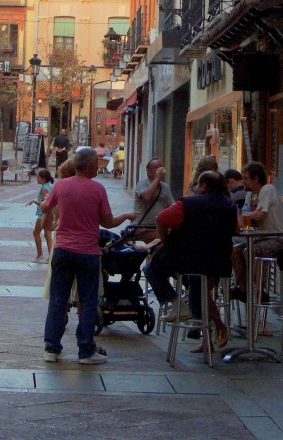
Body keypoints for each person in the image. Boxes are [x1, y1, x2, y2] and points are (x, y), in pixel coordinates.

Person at [42, 147, 135, 365]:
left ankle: (51, 349)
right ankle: (85, 350)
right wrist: (126, 216)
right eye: (97, 164)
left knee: (58, 300)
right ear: (90, 166)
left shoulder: (61, 185)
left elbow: (46, 206)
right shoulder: (98, 189)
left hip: (63, 250)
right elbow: (107, 222)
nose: (99, 167)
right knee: (88, 301)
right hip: (87, 253)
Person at [144, 170, 237, 350]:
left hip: (187, 259)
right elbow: (235, 229)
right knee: (199, 290)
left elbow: (160, 219)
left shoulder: (188, 203)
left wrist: (166, 241)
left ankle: (177, 303)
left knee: (150, 269)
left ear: (203, 186)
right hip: (218, 261)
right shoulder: (230, 206)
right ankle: (211, 334)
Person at [230, 161, 283, 301]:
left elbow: (260, 214)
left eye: (245, 178)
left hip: (280, 238)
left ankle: (260, 290)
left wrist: (241, 216)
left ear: (256, 179)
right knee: (235, 250)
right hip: (264, 237)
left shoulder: (267, 189)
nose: (243, 182)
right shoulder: (250, 195)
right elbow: (248, 217)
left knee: (251, 251)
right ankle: (243, 288)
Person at [133, 158, 174, 241]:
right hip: (142, 228)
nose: (160, 169)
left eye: (161, 166)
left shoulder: (165, 187)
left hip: (159, 227)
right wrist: (157, 179)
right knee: (163, 239)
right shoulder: (142, 183)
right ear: (149, 171)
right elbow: (146, 197)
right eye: (156, 166)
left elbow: (172, 206)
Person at [28, 169, 54, 261]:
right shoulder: (49, 187)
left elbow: (45, 203)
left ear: (43, 179)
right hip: (48, 214)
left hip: (43, 214)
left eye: (38, 177)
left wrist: (34, 201)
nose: (37, 179)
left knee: (36, 233)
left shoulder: (44, 189)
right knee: (47, 234)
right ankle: (50, 256)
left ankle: (40, 254)